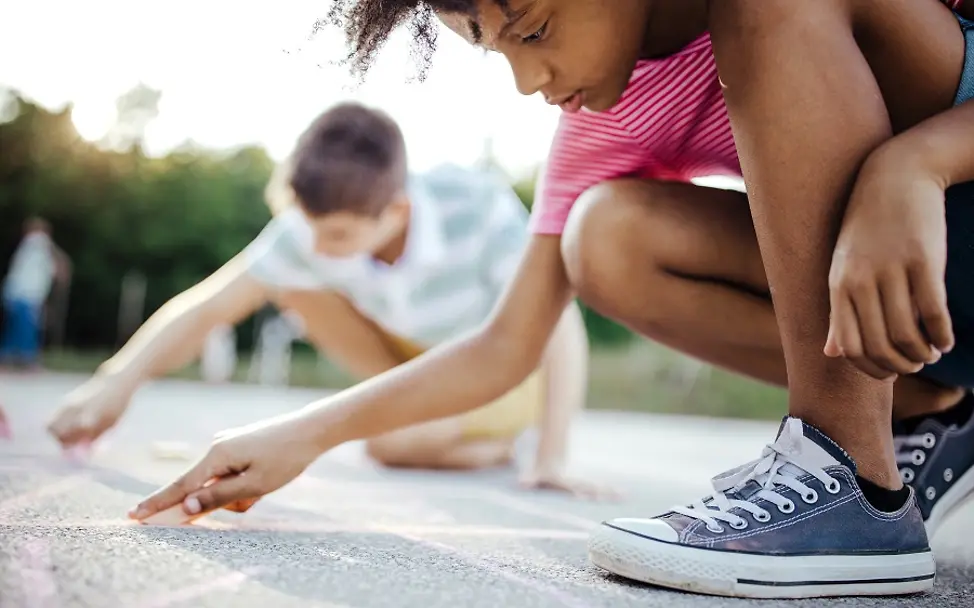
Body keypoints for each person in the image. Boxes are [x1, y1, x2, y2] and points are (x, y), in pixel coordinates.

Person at [128, 0, 974, 598]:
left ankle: (850, 479)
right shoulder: (602, 121)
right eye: (495, 48)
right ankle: (927, 406)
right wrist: (303, 433)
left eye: (533, 30)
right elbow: (506, 346)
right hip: (940, 316)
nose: (527, 79)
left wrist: (916, 163)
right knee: (605, 238)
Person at [47, 102, 600, 496]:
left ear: (397, 211)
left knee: (390, 445)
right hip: (411, 356)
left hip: (495, 363)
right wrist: (115, 382)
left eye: (336, 236)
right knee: (290, 284)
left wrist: (552, 456)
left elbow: (558, 319)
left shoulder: (477, 207)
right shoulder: (312, 227)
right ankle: (422, 423)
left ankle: (501, 444)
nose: (315, 247)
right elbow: (212, 304)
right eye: (309, 228)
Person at [1, 217, 69, 370]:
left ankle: (9, 358)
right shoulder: (36, 242)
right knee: (27, 328)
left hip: (19, 294)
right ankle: (26, 360)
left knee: (16, 328)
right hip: (25, 295)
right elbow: (58, 262)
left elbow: (52, 270)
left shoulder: (32, 251)